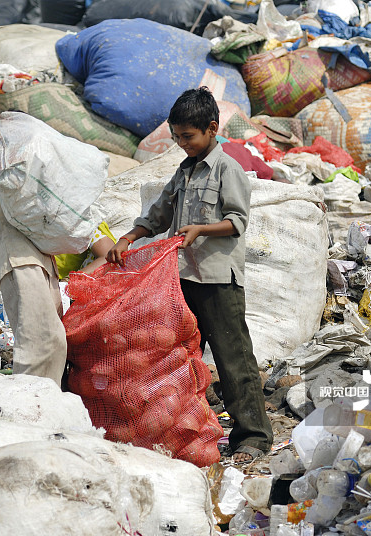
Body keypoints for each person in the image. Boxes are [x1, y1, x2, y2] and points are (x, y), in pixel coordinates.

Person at [106, 87, 274, 463]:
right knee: (180, 358)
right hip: (182, 279)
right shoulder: (184, 172)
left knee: (233, 358)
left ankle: (254, 435)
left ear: (212, 129)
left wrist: (200, 229)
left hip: (217, 279)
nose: (182, 144)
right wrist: (129, 236)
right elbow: (159, 214)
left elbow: (236, 222)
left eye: (188, 137)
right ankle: (185, 430)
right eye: (177, 137)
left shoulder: (227, 169)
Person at [0, 107, 67, 385]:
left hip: (42, 261)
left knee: (54, 340)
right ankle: (30, 407)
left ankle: (47, 402)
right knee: (39, 343)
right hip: (18, 262)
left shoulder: (31, 171)